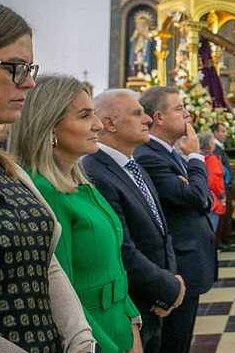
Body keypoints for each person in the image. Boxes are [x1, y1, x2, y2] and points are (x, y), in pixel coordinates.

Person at [0, 0, 94, 352]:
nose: (29, 82)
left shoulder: (3, 165)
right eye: (14, 67)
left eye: (30, 68)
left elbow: (46, 265)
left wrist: (81, 341)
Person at [9, 74, 142, 353]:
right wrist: (106, 347)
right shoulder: (45, 191)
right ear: (51, 127)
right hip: (94, 335)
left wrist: (132, 322)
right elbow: (62, 291)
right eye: (84, 116)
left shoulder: (79, 183)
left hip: (119, 324)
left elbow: (115, 263)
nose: (96, 124)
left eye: (93, 113)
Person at [83, 89, 184, 353]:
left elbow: (161, 229)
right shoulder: (96, 172)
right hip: (132, 304)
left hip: (156, 300)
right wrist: (167, 286)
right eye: (137, 113)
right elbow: (122, 248)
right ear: (110, 123)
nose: (147, 120)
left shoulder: (131, 164)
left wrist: (169, 280)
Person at [136, 86, 215, 353]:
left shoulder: (167, 153)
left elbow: (204, 198)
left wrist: (195, 188)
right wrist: (195, 156)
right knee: (172, 344)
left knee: (180, 341)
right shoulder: (150, 157)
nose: (188, 115)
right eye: (179, 109)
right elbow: (195, 196)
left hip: (188, 263)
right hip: (176, 267)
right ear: (158, 117)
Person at [198, 132, 227, 236]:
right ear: (210, 144)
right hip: (212, 199)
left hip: (201, 196)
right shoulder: (212, 159)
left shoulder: (197, 157)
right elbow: (215, 181)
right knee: (211, 231)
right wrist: (221, 196)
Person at [211, 122, 233, 245]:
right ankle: (219, 238)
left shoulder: (220, 147)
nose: (225, 134)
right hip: (221, 184)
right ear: (215, 133)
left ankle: (223, 237)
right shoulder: (216, 149)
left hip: (224, 183)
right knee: (222, 212)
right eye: (222, 131)